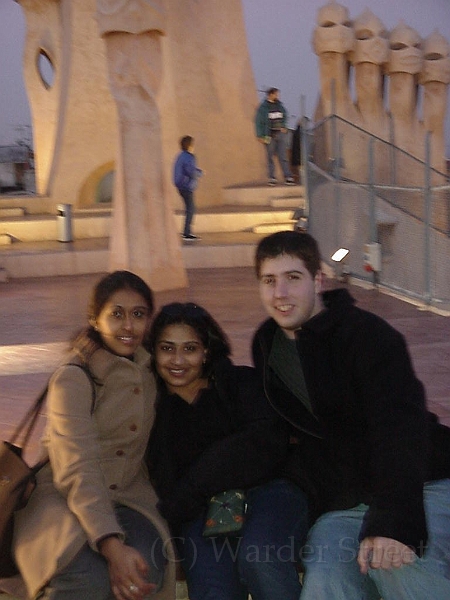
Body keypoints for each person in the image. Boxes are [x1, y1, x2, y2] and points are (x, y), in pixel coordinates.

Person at [251, 230, 450, 600]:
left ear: (318, 280)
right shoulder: (269, 346)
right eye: (269, 281)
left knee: (395, 568)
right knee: (326, 581)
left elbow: (400, 431)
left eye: (293, 278)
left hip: (423, 484)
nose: (280, 293)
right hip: (348, 505)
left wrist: (391, 521)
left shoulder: (368, 337)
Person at [13, 271, 176, 600]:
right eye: (116, 314)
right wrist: (111, 545)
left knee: (146, 571)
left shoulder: (153, 371)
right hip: (63, 496)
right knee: (85, 578)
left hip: (130, 496)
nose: (128, 326)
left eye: (138, 314)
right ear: (94, 318)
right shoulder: (73, 378)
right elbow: (77, 466)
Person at [146, 302, 308, 600]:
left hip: (269, 493)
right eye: (167, 348)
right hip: (197, 512)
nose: (178, 360)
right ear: (153, 352)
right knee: (212, 584)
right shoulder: (150, 408)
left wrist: (196, 484)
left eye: (190, 348)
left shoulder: (239, 384)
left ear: (206, 351)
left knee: (261, 557)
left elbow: (263, 443)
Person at [255, 87, 295, 186]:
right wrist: (260, 135)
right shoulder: (263, 108)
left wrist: (284, 126)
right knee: (270, 157)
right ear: (270, 94)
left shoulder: (280, 106)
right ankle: (272, 177)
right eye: (276, 94)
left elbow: (285, 115)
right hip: (269, 135)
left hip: (280, 134)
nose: (277, 96)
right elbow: (258, 122)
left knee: (283, 156)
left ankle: (288, 177)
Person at [173, 135, 203, 241]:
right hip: (186, 186)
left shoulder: (180, 156)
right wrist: (199, 173)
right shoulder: (189, 157)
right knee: (191, 209)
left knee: (189, 208)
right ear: (190, 145)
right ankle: (187, 233)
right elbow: (191, 171)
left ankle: (187, 231)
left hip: (181, 186)